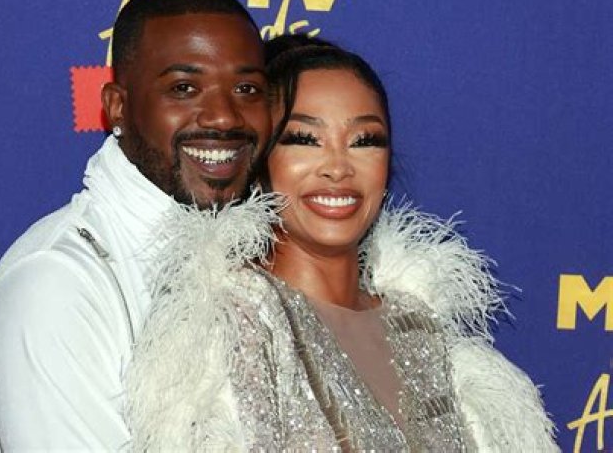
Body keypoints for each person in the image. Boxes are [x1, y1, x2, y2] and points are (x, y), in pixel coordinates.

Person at [124, 36, 559, 450]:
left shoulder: (422, 326)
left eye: (364, 141)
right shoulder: (225, 329)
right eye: (305, 139)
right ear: (257, 161)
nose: (338, 167)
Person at [0, 0, 270, 450]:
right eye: (184, 88)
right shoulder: (55, 284)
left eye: (247, 89)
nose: (225, 116)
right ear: (117, 107)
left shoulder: (259, 260)